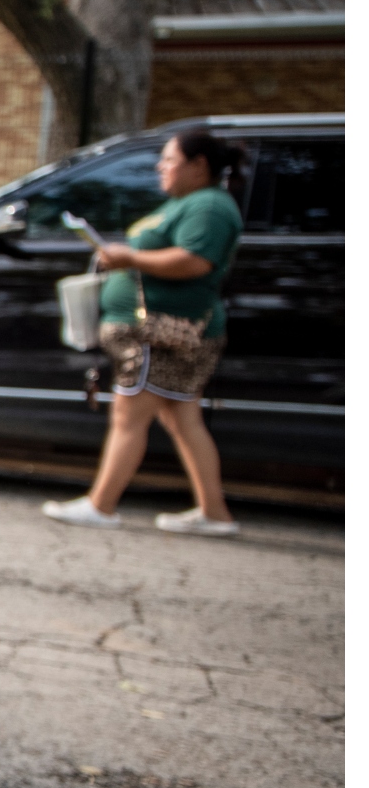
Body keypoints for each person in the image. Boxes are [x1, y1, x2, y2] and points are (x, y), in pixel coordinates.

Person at [43, 131, 243, 536]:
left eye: (169, 159)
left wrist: (129, 256)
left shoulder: (209, 207)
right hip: (168, 331)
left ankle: (101, 505)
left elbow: (194, 261)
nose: (160, 167)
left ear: (198, 165)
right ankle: (214, 512)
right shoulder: (190, 204)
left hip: (166, 332)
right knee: (180, 417)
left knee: (128, 412)